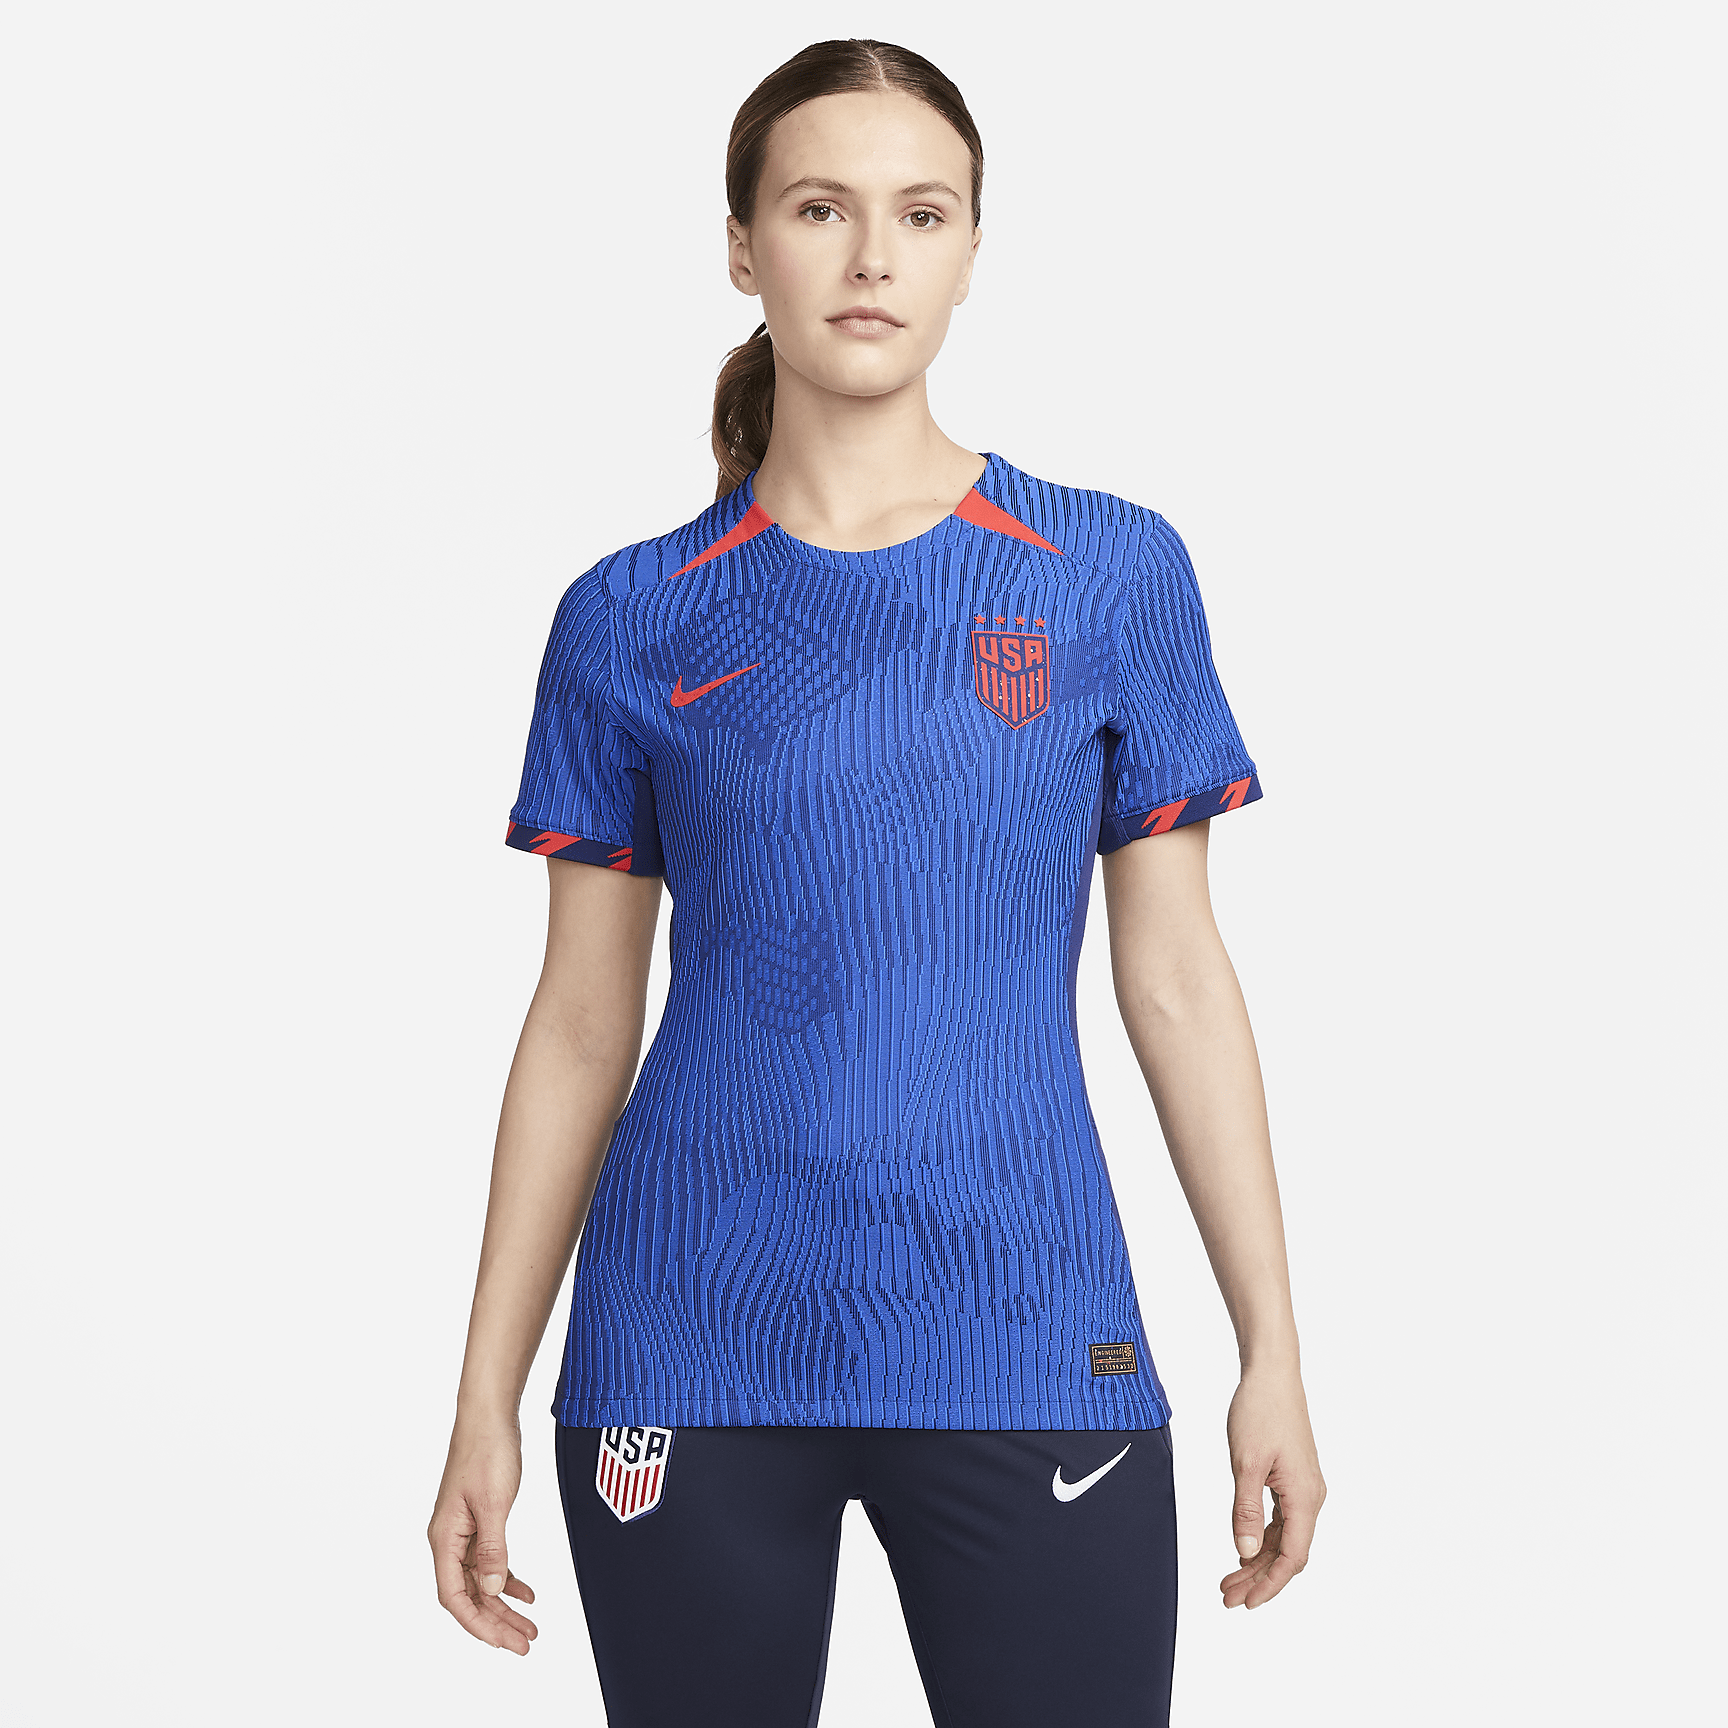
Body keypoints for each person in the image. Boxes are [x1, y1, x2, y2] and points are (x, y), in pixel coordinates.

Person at [428, 36, 1325, 1726]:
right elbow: (579, 1024)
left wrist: (1270, 1345)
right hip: (686, 1337)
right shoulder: (631, 616)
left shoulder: (1109, 572)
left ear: (973, 251)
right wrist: (486, 1389)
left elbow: (1178, 981)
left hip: (1028, 1320)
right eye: (819, 208)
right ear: (742, 244)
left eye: (921, 214)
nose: (871, 256)